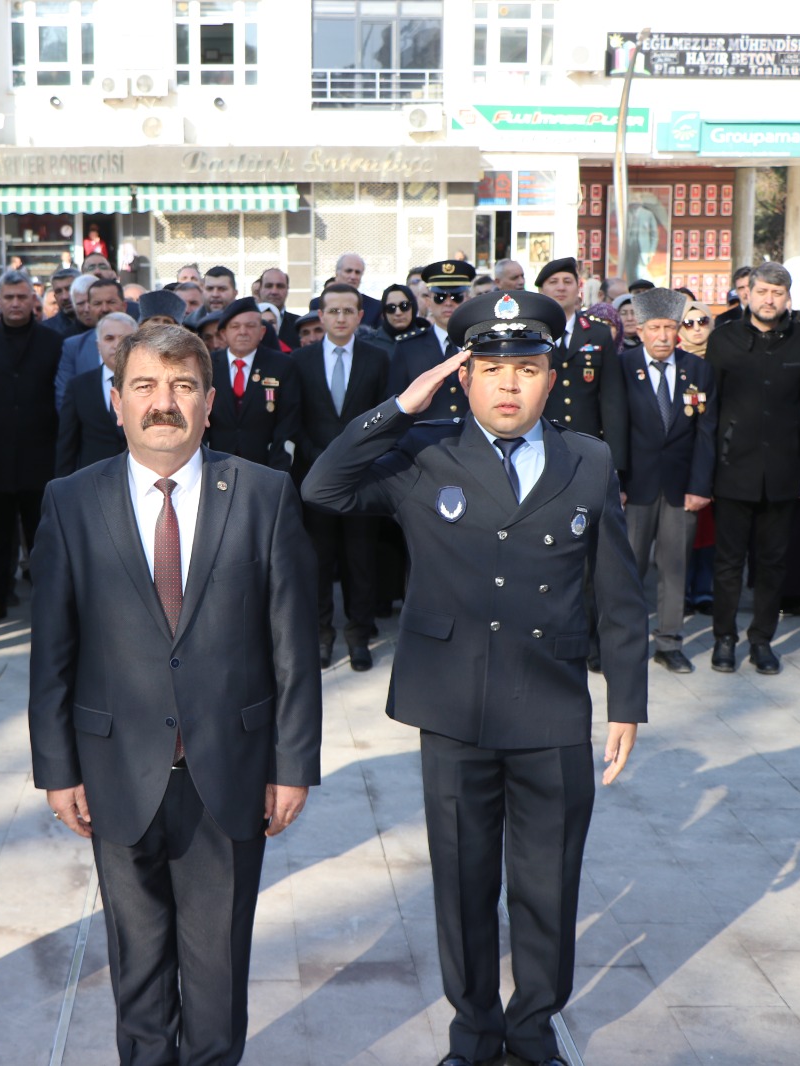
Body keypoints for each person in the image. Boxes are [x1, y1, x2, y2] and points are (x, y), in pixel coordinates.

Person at [302, 288, 647, 1066]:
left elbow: (619, 591)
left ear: (551, 376)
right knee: (462, 884)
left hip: (552, 708)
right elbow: (323, 486)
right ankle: (473, 1033)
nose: (508, 385)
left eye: (526, 368)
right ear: (464, 377)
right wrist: (399, 404)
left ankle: (533, 1030)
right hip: (453, 707)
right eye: (490, 369)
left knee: (547, 885)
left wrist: (626, 700)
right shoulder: (424, 453)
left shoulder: (586, 460)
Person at [29, 321, 321, 1066]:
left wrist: (292, 766)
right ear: (117, 400)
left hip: (231, 768)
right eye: (146, 387)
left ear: (210, 402)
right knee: (139, 965)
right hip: (115, 768)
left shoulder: (264, 494)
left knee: (218, 967)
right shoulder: (70, 500)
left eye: (184, 386)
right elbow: (53, 650)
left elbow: (293, 646)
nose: (165, 403)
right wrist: (57, 769)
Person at [692, 262, 800, 675]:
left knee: (772, 563)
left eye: (777, 293)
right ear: (748, 293)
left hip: (783, 472)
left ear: (788, 297)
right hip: (733, 469)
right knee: (728, 563)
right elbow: (709, 412)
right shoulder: (724, 340)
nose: (769, 300)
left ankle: (761, 640)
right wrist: (707, 471)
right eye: (762, 291)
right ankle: (724, 639)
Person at [290, 283, 388, 671]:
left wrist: (357, 460)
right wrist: (321, 458)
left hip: (362, 479)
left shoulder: (377, 359)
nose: (341, 318)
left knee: (360, 560)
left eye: (349, 311)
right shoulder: (301, 360)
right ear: (321, 316)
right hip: (314, 476)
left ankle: (359, 635)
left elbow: (384, 417)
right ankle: (321, 635)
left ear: (360, 316)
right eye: (334, 311)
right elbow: (294, 419)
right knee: (318, 560)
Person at [618, 288, 715, 673]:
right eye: (654, 328)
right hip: (635, 488)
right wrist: (617, 482)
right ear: (640, 329)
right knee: (629, 568)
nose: (662, 335)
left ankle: (670, 642)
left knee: (675, 567)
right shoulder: (623, 367)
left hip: (681, 487)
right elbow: (615, 427)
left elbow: (707, 431)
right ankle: (625, 641)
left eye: (669, 327)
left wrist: (701, 486)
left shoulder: (698, 369)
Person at [0, 270, 62, 627]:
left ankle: (49, 602)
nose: (14, 303)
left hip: (40, 455)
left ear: (33, 299)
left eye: (21, 297)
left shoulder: (54, 341)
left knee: (43, 535)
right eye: (8, 297)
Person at [536, 257, 627, 466]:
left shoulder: (598, 333)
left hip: (588, 445)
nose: (561, 287)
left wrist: (616, 463)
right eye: (553, 282)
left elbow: (612, 401)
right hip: (541, 443)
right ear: (541, 290)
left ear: (578, 287)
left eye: (567, 281)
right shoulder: (530, 334)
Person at [206, 296, 300, 470]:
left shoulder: (282, 365)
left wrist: (277, 471)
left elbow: (287, 423)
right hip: (215, 465)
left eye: (250, 326)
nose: (243, 332)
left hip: (265, 466)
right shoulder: (208, 365)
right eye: (235, 326)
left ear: (262, 331)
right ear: (223, 333)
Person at [387, 260, 474, 421]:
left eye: (456, 296)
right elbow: (396, 405)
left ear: (467, 299)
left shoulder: (479, 344)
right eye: (440, 297)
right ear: (428, 301)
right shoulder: (408, 348)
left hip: (473, 438)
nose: (448, 303)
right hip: (424, 441)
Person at [56, 312, 133, 478]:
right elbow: (67, 444)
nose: (116, 344)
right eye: (109, 338)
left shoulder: (151, 384)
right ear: (98, 346)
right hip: (92, 480)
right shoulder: (78, 386)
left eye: (123, 337)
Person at [53, 276, 128, 407]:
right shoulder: (74, 347)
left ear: (124, 305)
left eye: (111, 302)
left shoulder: (142, 343)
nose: (104, 309)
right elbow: (64, 399)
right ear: (90, 308)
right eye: (97, 303)